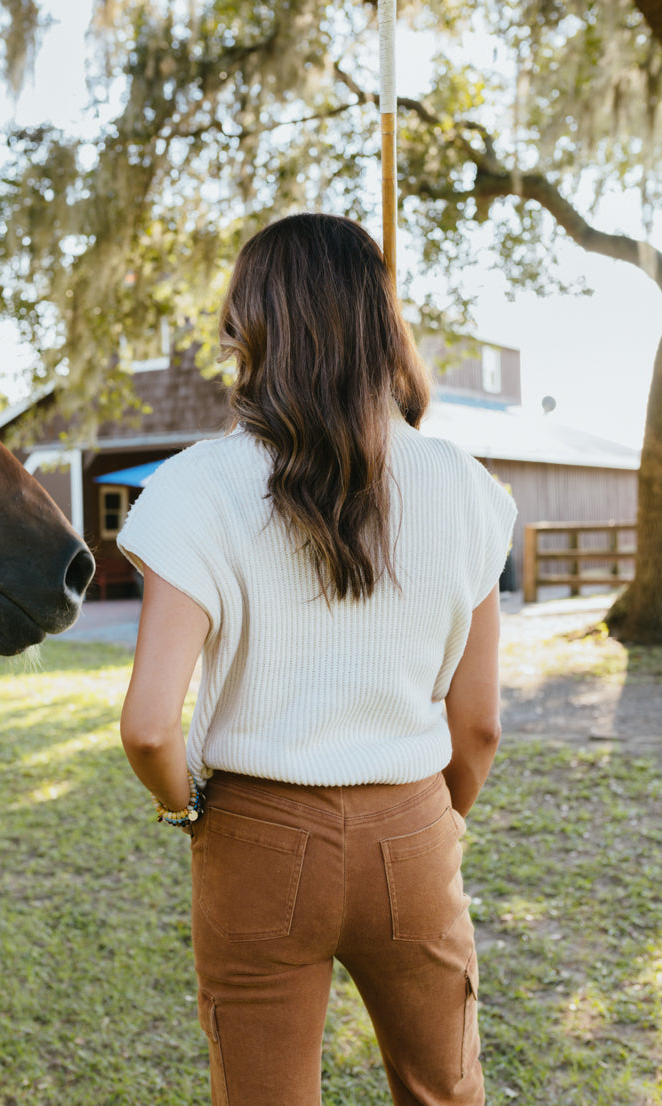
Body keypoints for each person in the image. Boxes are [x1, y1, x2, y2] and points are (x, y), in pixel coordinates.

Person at [117, 212, 517, 1106]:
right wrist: (428, 820)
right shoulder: (467, 488)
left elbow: (149, 729)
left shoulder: (189, 488)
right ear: (384, 326)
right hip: (413, 826)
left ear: (246, 330)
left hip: (256, 836)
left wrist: (187, 814)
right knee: (443, 1090)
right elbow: (480, 724)